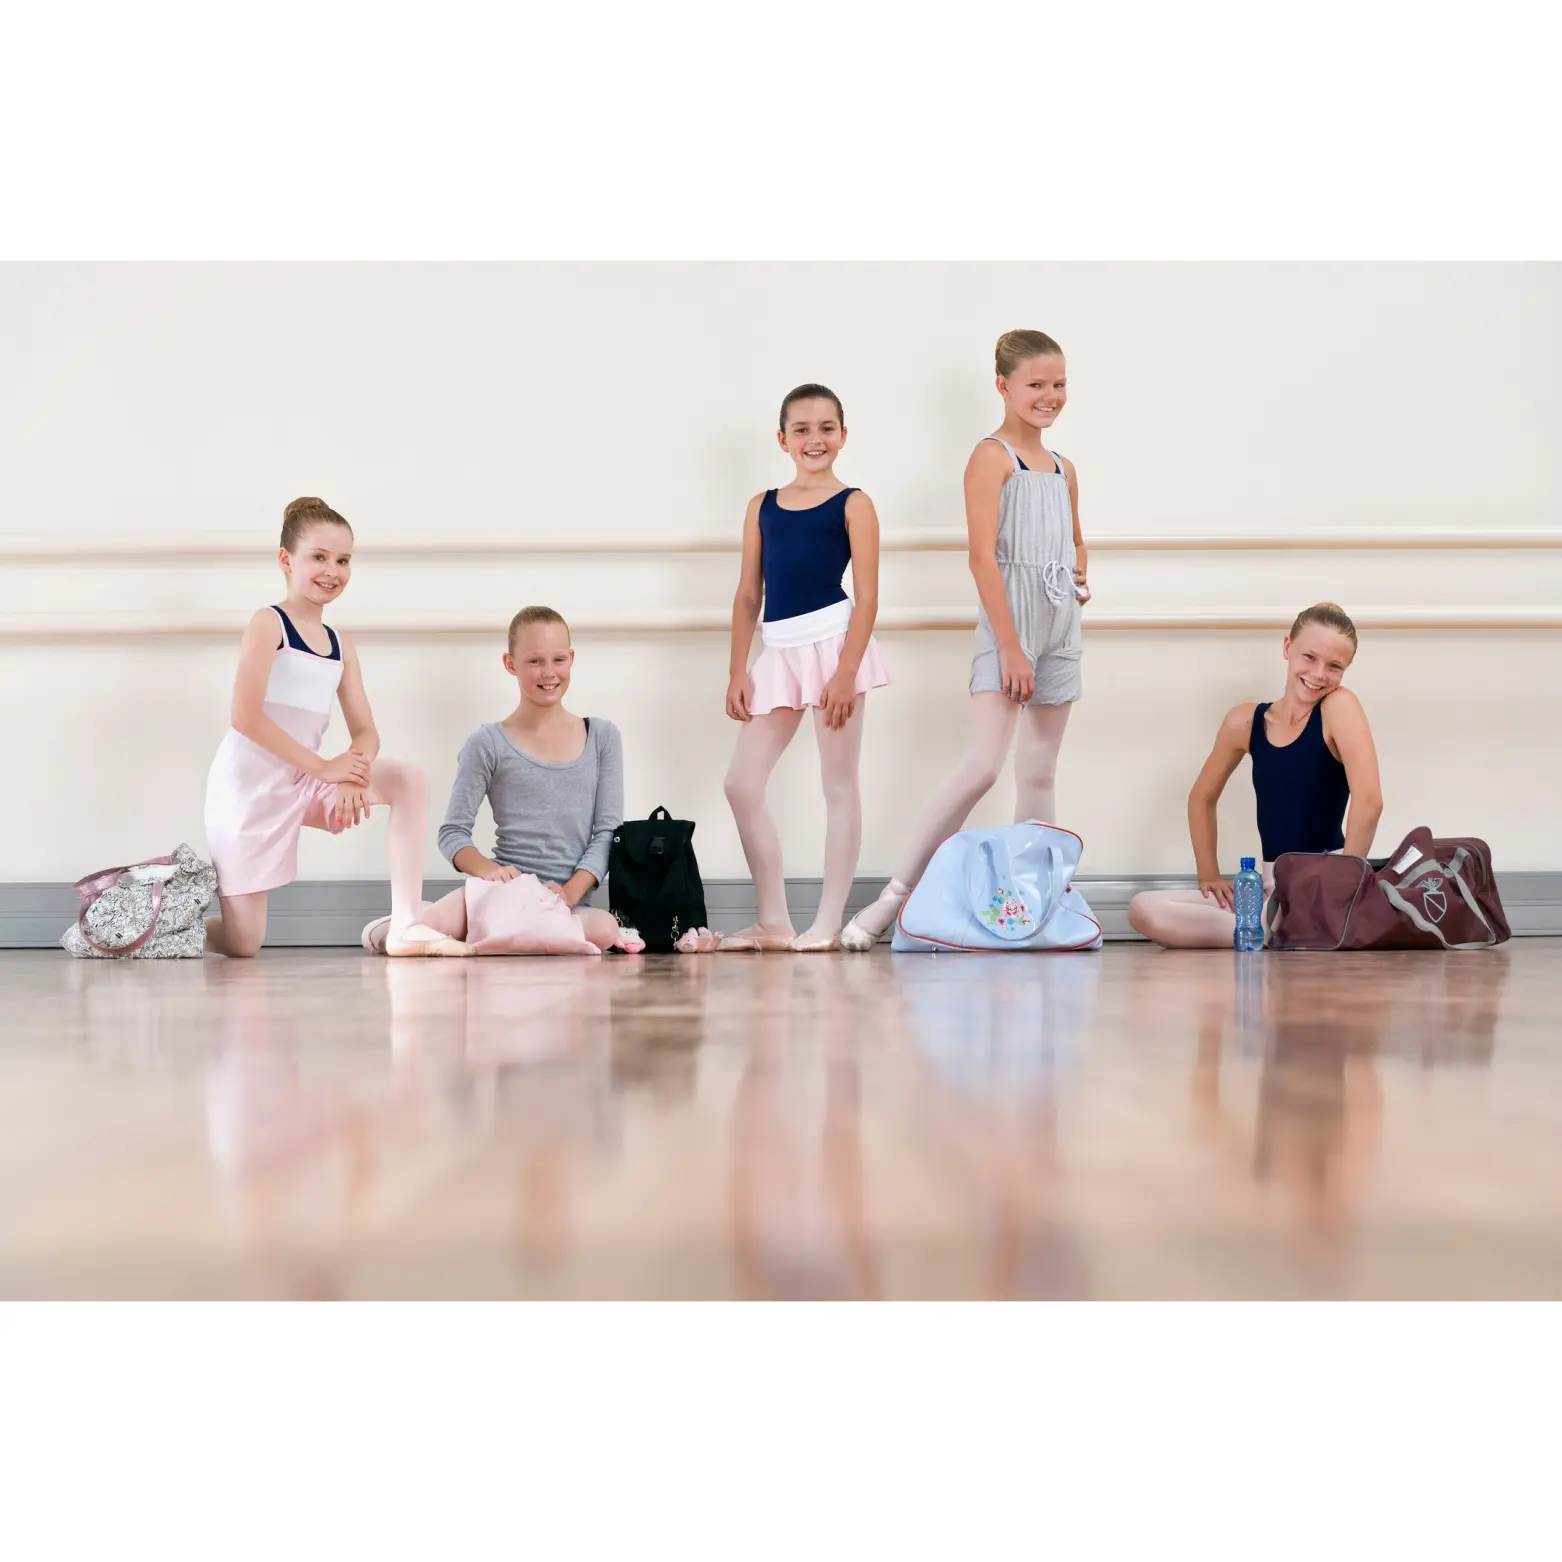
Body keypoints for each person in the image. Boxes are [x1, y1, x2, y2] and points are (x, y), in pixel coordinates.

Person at [843, 329, 1087, 950]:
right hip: (1011, 626)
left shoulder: (1064, 469)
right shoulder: (991, 457)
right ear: (1004, 386)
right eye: (1036, 384)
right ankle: (893, 898)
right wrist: (1009, 645)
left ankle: (1035, 906)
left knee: (1039, 771)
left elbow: (1075, 540)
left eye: (1059, 384)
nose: (1050, 395)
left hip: (1060, 626)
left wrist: (1080, 575)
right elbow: (982, 558)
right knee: (981, 768)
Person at [203, 497, 469, 958]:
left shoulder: (340, 644)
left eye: (343, 560)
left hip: (307, 780)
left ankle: (406, 924)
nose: (332, 571)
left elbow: (366, 731)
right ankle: (170, 923)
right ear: (286, 560)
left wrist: (352, 772)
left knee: (407, 778)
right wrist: (327, 768)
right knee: (244, 943)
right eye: (319, 557)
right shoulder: (268, 623)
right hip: (248, 790)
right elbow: (244, 716)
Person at [714, 382, 891, 954]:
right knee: (741, 784)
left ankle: (828, 921)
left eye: (826, 428)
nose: (815, 439)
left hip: (835, 646)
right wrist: (738, 669)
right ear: (782, 439)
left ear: (843, 435)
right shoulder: (761, 506)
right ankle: (773, 919)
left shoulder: (854, 503)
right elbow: (749, 594)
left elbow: (868, 597)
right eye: (802, 429)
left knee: (838, 785)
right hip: (780, 652)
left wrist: (845, 672)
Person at [361, 606, 630, 954]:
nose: (549, 672)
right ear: (510, 664)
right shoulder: (486, 743)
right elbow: (452, 834)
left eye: (558, 659)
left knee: (605, 929)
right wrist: (490, 872)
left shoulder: (603, 737)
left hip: (563, 904)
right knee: (415, 932)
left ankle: (488, 935)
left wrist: (569, 893)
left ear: (572, 659)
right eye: (534, 661)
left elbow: (608, 832)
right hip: (499, 894)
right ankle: (407, 921)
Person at [1127, 602, 1384, 948]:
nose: (1319, 674)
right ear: (1287, 647)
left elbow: (1369, 801)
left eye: (1334, 666)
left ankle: (1292, 929)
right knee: (1143, 908)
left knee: (1163, 916)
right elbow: (1202, 797)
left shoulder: (1339, 707)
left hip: (1325, 885)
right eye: (1310, 657)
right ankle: (1280, 933)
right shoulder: (1245, 721)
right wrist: (1209, 875)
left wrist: (1343, 887)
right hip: (1271, 892)